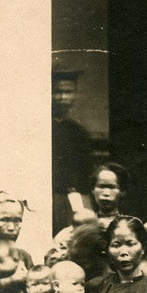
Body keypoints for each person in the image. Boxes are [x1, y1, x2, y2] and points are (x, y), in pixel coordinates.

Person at [52, 65, 93, 234]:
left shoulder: (78, 131)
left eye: (68, 92)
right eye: (57, 92)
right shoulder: (42, 127)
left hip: (73, 197)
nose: (63, 98)